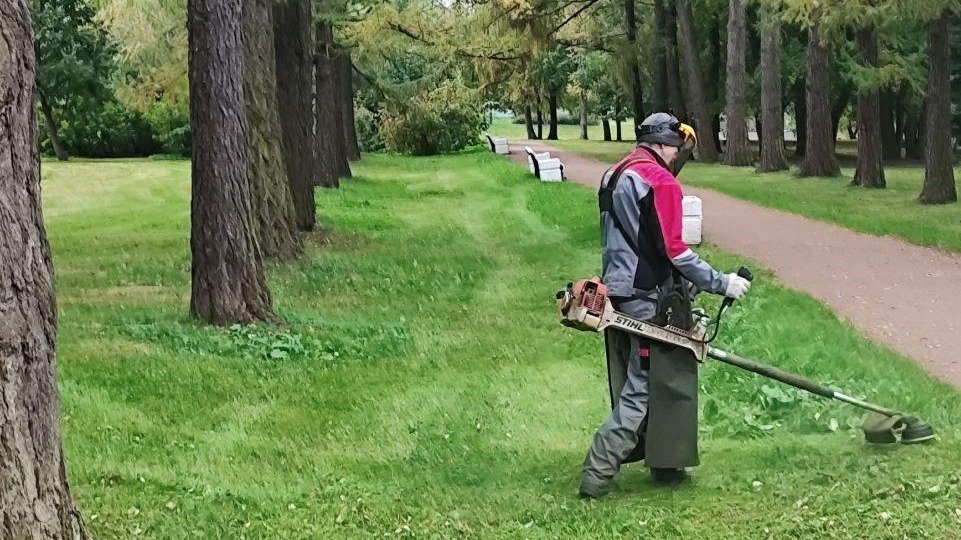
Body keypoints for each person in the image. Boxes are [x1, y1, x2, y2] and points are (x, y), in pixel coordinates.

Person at [579, 112, 752, 498]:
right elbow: (675, 250)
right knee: (643, 388)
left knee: (642, 377)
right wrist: (722, 282)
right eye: (675, 149)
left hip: (617, 292)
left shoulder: (615, 173)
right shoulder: (660, 181)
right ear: (662, 144)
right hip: (645, 298)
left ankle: (665, 463)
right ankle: (596, 472)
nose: (677, 157)